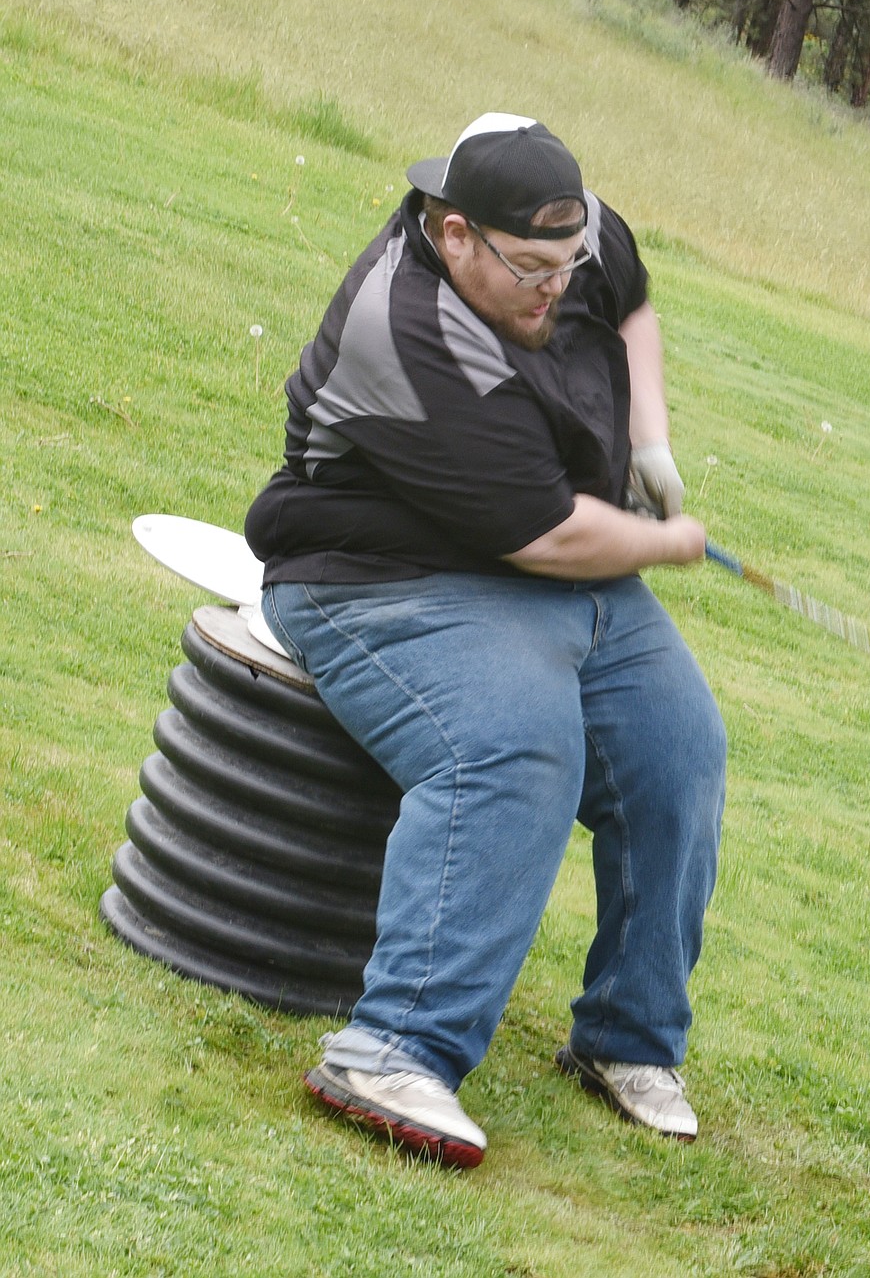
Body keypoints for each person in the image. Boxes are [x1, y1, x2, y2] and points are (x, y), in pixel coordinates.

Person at [245, 113, 726, 1169]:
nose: (559, 285)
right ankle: (394, 1049)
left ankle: (627, 1040)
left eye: (571, 260)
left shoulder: (566, 239)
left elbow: (631, 301)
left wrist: (651, 440)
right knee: (514, 745)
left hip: (545, 563)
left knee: (679, 748)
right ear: (454, 233)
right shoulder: (408, 333)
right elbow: (551, 533)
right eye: (531, 269)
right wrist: (665, 538)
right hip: (377, 576)